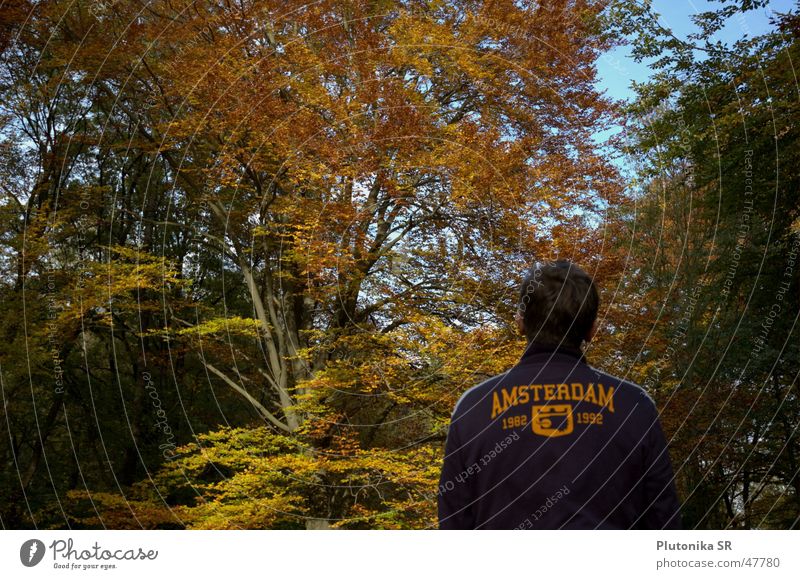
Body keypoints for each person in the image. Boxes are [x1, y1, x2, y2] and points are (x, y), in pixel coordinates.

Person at [437, 260, 682, 529]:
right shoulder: (635, 406)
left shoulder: (474, 406)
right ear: (592, 330)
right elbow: (664, 521)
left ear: (520, 323)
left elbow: (454, 524)